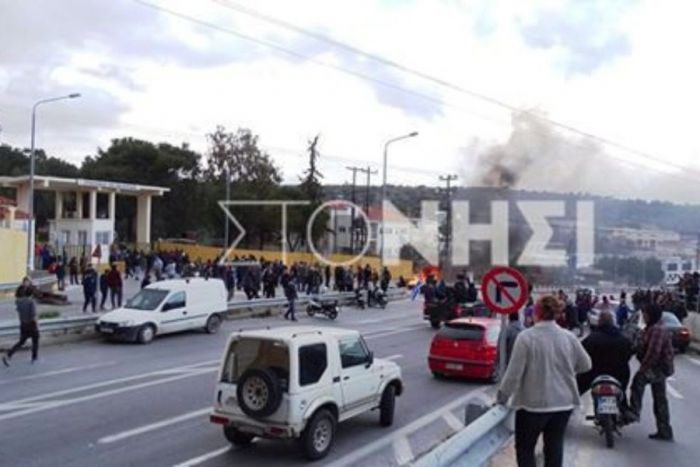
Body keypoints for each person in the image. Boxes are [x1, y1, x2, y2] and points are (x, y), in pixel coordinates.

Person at [497, 295, 592, 467]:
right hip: (563, 404)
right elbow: (586, 364)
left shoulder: (527, 337)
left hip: (533, 406)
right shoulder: (569, 337)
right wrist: (566, 370)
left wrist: (502, 397)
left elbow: (513, 374)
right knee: (554, 448)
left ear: (536, 312)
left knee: (525, 449)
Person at [629, 303, 675, 441]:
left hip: (659, 368)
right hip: (659, 368)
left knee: (638, 381)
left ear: (652, 315)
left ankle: (634, 412)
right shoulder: (650, 328)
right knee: (660, 399)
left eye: (645, 314)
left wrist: (643, 369)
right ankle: (664, 430)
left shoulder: (657, 329)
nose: (643, 316)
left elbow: (653, 353)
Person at [577, 310, 634, 412]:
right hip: (618, 373)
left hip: (594, 372)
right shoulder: (623, 338)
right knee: (622, 391)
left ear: (600, 322)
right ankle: (624, 409)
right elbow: (629, 354)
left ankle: (565, 410)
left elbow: (581, 353)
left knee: (576, 389)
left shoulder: (592, 338)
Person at [2, 278, 40, 366]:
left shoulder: (19, 302)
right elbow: (34, 315)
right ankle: (34, 358)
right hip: (31, 324)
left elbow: (18, 311)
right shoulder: (31, 302)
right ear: (31, 294)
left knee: (21, 342)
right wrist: (37, 325)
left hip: (23, 324)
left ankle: (9, 354)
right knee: (35, 341)